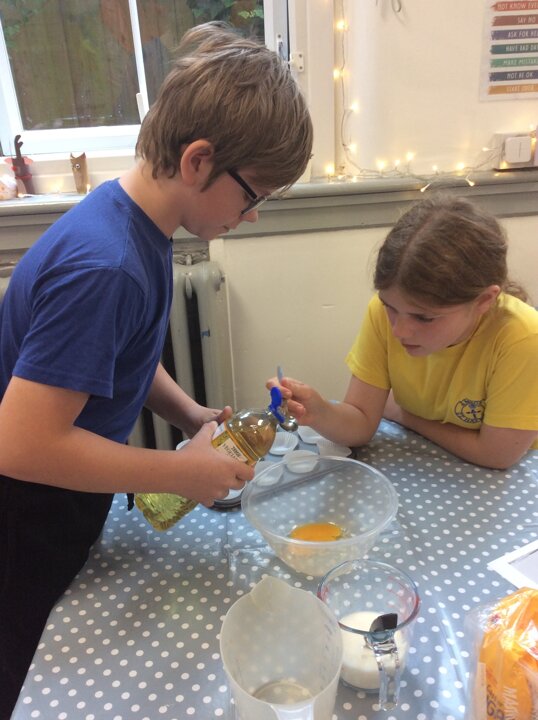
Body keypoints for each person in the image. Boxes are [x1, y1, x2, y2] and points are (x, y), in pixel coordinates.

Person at [0, 22, 313, 718]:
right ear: (199, 160)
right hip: (28, 513)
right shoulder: (106, 265)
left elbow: (118, 357)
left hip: (64, 494)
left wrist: (189, 415)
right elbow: (20, 445)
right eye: (252, 196)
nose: (251, 217)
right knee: (26, 661)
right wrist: (177, 473)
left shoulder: (135, 227)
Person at [271, 195, 538, 471]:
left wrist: (403, 415)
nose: (399, 330)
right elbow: (361, 423)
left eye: (424, 317)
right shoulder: (382, 313)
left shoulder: (523, 337)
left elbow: (496, 455)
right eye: (390, 308)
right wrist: (320, 412)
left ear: (484, 300)